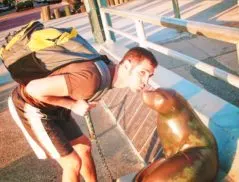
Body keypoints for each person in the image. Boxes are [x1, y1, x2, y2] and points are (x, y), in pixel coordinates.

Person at [8, 46, 158, 182]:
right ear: (126, 65)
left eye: (149, 76)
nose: (145, 81)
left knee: (83, 147)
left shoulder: (109, 71)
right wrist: (73, 105)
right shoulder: (91, 79)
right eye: (142, 73)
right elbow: (32, 90)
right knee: (72, 163)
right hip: (30, 108)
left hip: (55, 108)